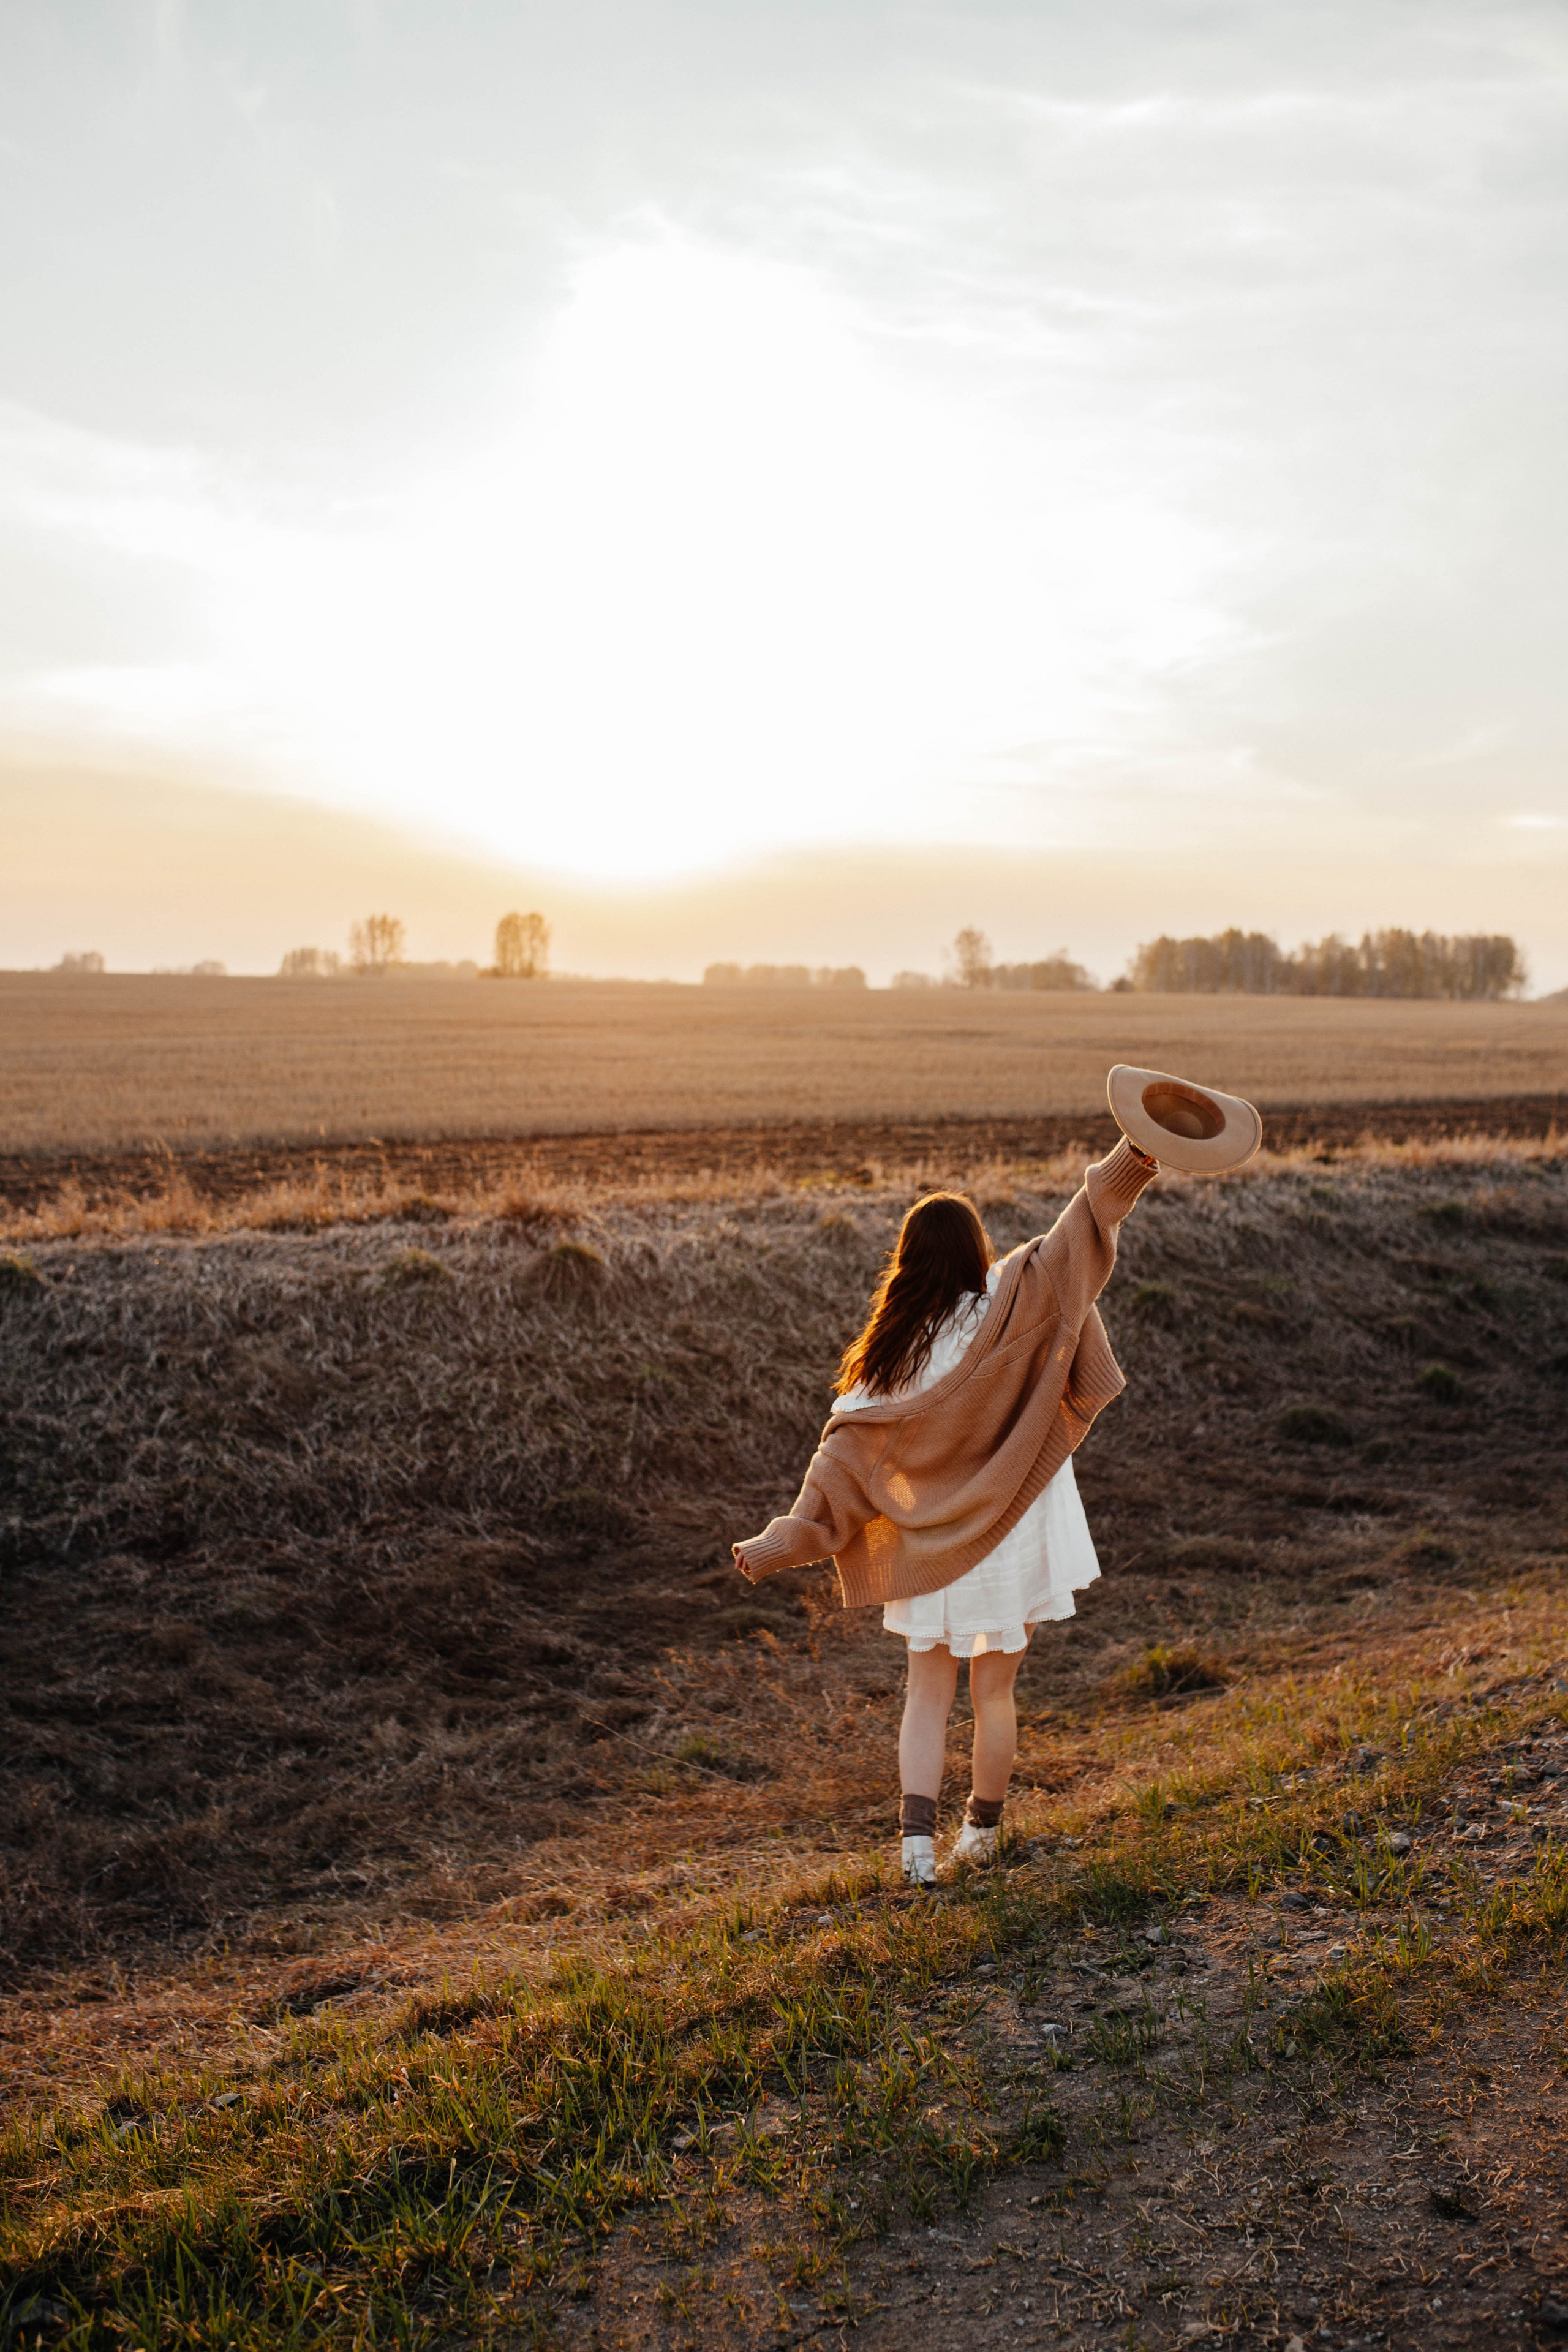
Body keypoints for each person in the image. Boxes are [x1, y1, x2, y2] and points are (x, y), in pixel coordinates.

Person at [732, 1132, 1160, 1888]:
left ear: (905, 1259)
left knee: (925, 1689)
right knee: (995, 1692)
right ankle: (981, 1836)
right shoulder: (1007, 1304)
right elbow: (1078, 1234)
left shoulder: (888, 1352)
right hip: (1014, 1527)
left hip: (931, 1545)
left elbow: (840, 1456)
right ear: (974, 1249)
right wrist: (1134, 1153)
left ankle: (915, 1853)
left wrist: (783, 1539)